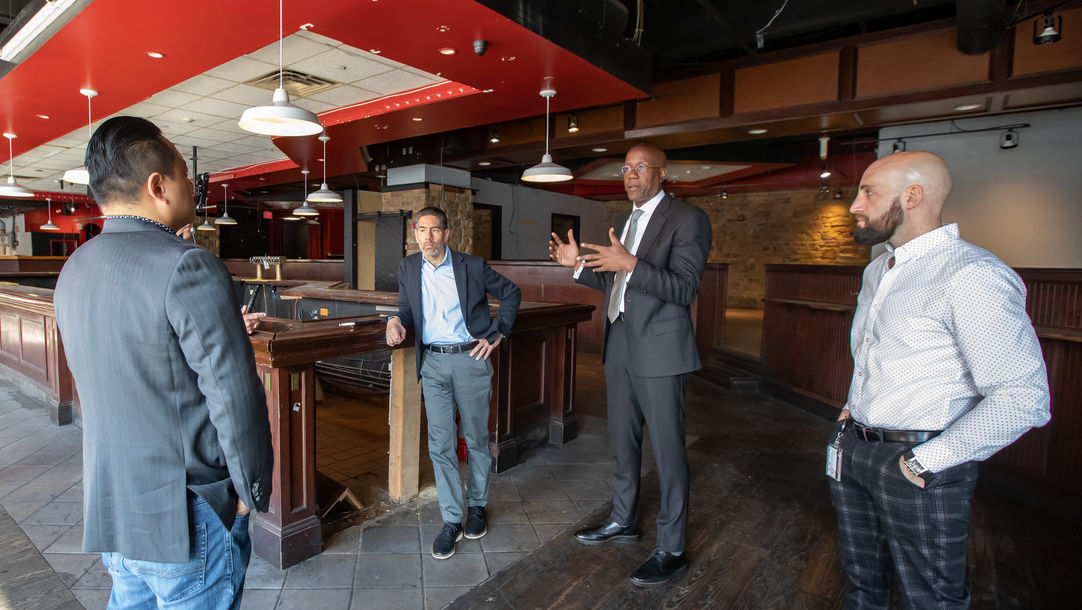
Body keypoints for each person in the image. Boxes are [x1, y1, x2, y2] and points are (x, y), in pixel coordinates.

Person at [54, 116, 273, 609]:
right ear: (158, 185)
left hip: (114, 507)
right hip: (186, 514)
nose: (192, 188)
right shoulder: (187, 263)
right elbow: (234, 395)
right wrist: (247, 491)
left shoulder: (75, 267)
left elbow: (130, 369)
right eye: (184, 176)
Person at [829, 150, 1050, 608]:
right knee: (861, 582)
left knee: (931, 598)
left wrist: (927, 460)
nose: (855, 204)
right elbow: (877, 355)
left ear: (913, 196)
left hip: (921, 462)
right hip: (854, 450)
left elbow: (1023, 397)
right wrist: (853, 410)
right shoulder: (877, 271)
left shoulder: (972, 275)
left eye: (867, 192)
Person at [549, 143, 712, 587]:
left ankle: (672, 548)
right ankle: (623, 520)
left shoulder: (688, 219)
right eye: (626, 167)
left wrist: (632, 263)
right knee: (622, 441)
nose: (631, 174)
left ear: (663, 174)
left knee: (668, 450)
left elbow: (684, 288)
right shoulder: (625, 221)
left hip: (661, 350)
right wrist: (577, 266)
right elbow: (614, 278)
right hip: (619, 342)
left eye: (641, 167)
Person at [385, 206, 520, 559]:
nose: (427, 237)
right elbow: (405, 307)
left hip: (470, 360)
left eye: (434, 230)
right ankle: (450, 520)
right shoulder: (408, 267)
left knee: (475, 439)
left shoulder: (471, 266)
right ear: (415, 233)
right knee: (440, 443)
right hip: (432, 362)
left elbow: (511, 293)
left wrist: (498, 333)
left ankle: (477, 506)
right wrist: (394, 321)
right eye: (421, 230)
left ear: (446, 234)